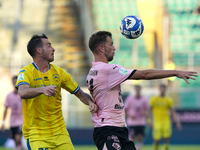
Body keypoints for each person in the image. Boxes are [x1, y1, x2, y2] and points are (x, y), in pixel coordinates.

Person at [86, 31, 197, 150]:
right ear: (102, 48)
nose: (114, 48)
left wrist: (89, 102)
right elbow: (145, 74)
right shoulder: (108, 70)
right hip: (107, 130)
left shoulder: (93, 72)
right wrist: (175, 72)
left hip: (118, 129)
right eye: (111, 44)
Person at [15, 34, 98, 150]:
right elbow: (22, 92)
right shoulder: (26, 72)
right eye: (49, 45)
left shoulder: (59, 73)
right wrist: (42, 89)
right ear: (39, 50)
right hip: (37, 135)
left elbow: (80, 93)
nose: (53, 49)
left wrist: (90, 102)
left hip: (60, 134)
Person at [147, 84, 182, 150]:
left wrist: (177, 122)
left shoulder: (168, 100)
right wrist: (149, 121)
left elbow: (173, 112)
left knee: (166, 139)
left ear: (165, 90)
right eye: (161, 88)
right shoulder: (154, 99)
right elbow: (148, 111)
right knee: (157, 140)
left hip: (166, 122)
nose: (162, 90)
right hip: (157, 122)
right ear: (159, 89)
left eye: (164, 88)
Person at [1, 75, 24, 150]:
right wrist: (3, 122)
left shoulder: (23, 95)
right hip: (12, 122)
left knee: (18, 139)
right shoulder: (9, 96)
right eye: (14, 82)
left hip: (21, 121)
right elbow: (6, 109)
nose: (15, 84)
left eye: (16, 82)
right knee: (16, 142)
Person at [124, 85, 149, 150]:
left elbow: (147, 109)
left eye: (139, 89)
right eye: (136, 89)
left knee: (140, 138)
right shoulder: (130, 99)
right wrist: (129, 115)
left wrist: (146, 114)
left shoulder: (144, 99)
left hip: (141, 122)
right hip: (132, 122)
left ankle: (138, 149)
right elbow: (125, 109)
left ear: (140, 89)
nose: (138, 90)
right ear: (135, 89)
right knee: (133, 139)